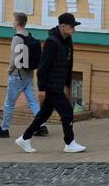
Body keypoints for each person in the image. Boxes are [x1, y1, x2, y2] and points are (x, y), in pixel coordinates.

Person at [15, 12, 86, 154]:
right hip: (51, 85)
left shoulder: (67, 41)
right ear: (63, 26)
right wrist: (41, 88)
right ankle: (69, 142)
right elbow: (43, 67)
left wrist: (67, 83)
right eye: (72, 27)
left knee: (44, 114)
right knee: (67, 112)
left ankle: (24, 138)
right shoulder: (51, 42)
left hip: (59, 83)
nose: (74, 30)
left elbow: (68, 63)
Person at [0, 11, 48, 139]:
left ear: (17, 23)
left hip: (17, 76)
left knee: (9, 103)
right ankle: (42, 126)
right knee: (33, 101)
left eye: (13, 21)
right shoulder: (30, 36)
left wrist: (9, 70)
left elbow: (14, 58)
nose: (12, 23)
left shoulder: (17, 38)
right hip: (28, 75)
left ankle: (4, 129)